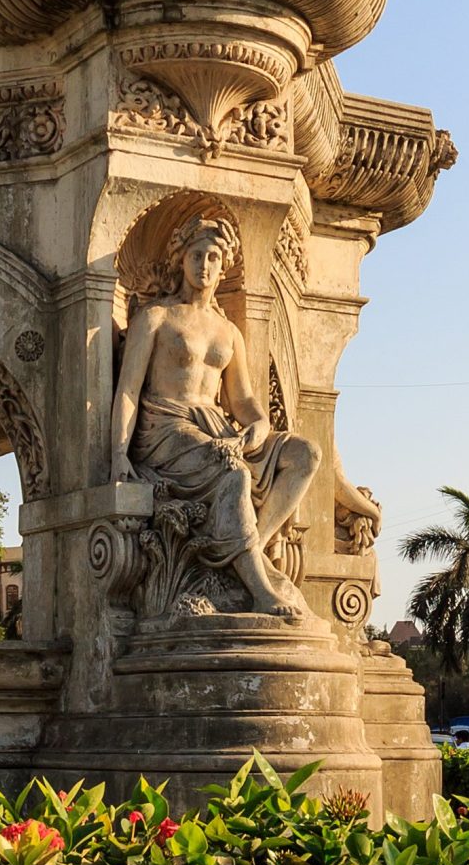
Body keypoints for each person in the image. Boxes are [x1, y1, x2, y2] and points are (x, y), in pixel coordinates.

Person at [110, 210, 320, 621]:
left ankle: (252, 550)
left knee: (305, 454)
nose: (204, 265)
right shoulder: (155, 317)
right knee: (234, 473)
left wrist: (257, 428)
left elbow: (242, 400)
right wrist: (118, 452)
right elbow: (129, 391)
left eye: (213, 258)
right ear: (181, 260)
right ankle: (259, 588)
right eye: (197, 255)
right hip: (166, 427)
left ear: (224, 268)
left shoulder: (229, 333)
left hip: (219, 429)